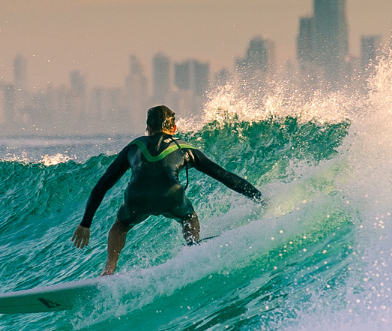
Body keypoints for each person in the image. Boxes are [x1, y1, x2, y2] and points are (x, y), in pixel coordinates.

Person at [71, 104, 263, 275]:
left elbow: (102, 185)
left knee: (120, 226)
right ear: (174, 129)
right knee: (189, 217)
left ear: (148, 128)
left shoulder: (134, 147)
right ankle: (193, 250)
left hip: (137, 198)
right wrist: (258, 197)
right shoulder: (185, 147)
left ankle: (109, 269)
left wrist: (85, 223)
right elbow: (224, 176)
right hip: (171, 196)